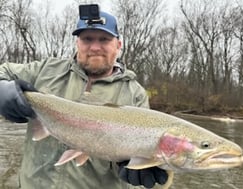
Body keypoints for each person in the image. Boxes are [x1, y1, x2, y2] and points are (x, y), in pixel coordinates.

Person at [0, 5, 168, 189]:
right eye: (87, 39)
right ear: (77, 43)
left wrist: (131, 162)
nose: (95, 47)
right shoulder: (46, 70)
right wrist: (3, 89)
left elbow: (142, 153)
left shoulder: (134, 94)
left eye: (104, 39)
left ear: (118, 45)